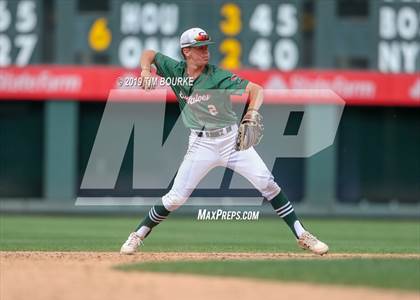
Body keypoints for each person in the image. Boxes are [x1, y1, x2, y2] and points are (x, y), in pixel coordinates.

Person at [120, 27, 329, 255]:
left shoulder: (217, 76)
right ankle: (137, 235)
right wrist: (145, 71)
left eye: (207, 47)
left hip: (231, 141)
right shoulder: (174, 70)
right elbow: (149, 53)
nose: (205, 51)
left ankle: (302, 234)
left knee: (268, 184)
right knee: (175, 198)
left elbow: (256, 90)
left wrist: (251, 113)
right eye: (200, 48)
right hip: (200, 144)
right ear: (186, 51)